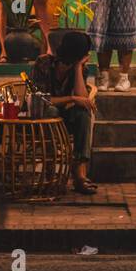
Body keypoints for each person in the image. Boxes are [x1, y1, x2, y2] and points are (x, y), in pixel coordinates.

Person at [32, 29, 97, 194]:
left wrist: (77, 68)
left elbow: (83, 100)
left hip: (66, 118)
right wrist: (72, 99)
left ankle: (79, 175)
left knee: (82, 114)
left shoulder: (81, 69)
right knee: (52, 111)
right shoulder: (43, 64)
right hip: (41, 118)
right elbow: (41, 100)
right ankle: (51, 172)